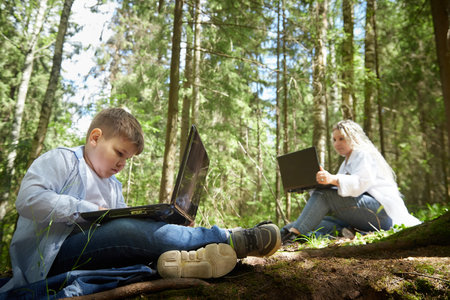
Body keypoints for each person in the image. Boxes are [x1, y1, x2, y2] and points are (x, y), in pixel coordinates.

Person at [0, 108, 281, 292]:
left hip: (94, 255)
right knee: (125, 230)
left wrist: (158, 219)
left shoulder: (113, 186)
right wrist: (87, 210)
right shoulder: (62, 160)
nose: (123, 163)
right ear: (95, 137)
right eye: (120, 153)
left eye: (128, 159)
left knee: (133, 229)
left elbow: (123, 232)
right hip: (49, 259)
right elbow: (27, 200)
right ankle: (229, 239)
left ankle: (181, 262)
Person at [281, 119, 421, 244]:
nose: (337, 143)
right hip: (363, 214)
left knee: (324, 196)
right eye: (335, 140)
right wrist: (313, 185)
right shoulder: (346, 162)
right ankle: (284, 233)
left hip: (383, 214)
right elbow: (341, 190)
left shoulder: (363, 154)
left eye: (342, 138)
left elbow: (360, 182)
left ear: (353, 137)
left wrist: (333, 179)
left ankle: (294, 236)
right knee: (322, 222)